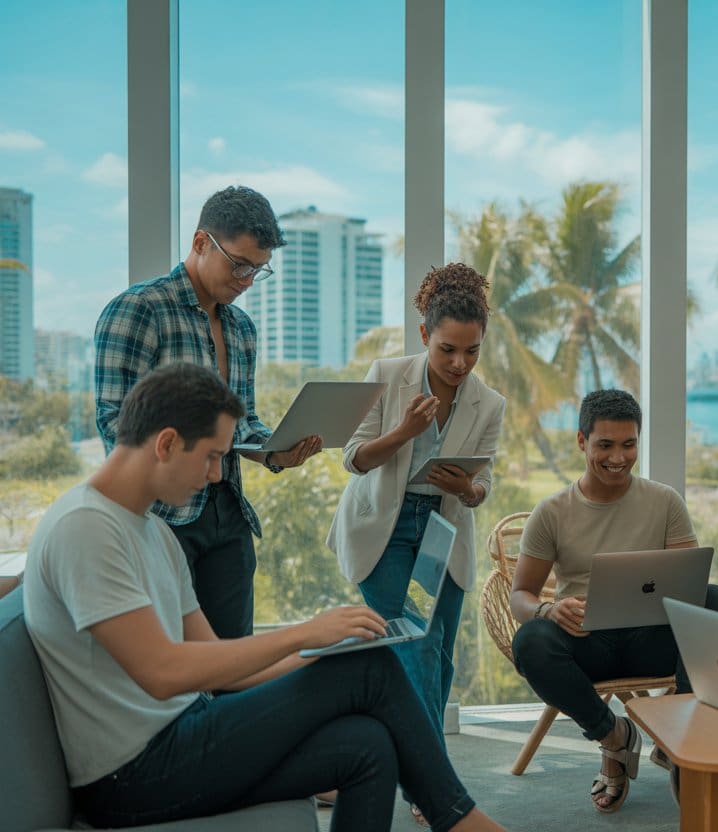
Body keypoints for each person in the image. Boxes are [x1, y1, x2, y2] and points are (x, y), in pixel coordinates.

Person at [22, 363, 507, 832]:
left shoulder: (151, 531)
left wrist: (323, 648)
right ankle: (460, 821)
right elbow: (163, 673)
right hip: (131, 775)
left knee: (369, 745)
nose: (216, 476)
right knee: (371, 671)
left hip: (180, 733)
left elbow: (216, 660)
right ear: (167, 443)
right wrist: (304, 634)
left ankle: (455, 818)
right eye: (212, 456)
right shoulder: (86, 527)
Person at [94, 185, 321, 640]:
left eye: (259, 270)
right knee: (177, 656)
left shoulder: (242, 328)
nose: (247, 281)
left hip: (227, 509)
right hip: (163, 516)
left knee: (233, 656)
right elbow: (115, 423)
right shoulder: (138, 310)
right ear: (201, 243)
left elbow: (242, 422)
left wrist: (274, 451)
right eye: (239, 265)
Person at [327, 262, 505, 826]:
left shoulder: (489, 403)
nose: (459, 364)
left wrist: (470, 488)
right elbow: (353, 458)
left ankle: (422, 775)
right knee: (414, 647)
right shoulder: (386, 373)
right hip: (383, 528)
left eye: (471, 351)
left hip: (442, 531)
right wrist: (403, 431)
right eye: (448, 349)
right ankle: (435, 784)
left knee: (440, 653)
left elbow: (485, 483)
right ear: (425, 335)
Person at [509, 389, 718, 814]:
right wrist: (547, 609)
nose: (619, 457)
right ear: (582, 442)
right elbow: (519, 596)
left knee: (715, 600)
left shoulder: (664, 501)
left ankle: (682, 740)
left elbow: (690, 584)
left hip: (651, 641)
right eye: (605, 445)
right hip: (587, 645)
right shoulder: (552, 512)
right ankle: (615, 738)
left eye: (629, 444)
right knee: (531, 641)